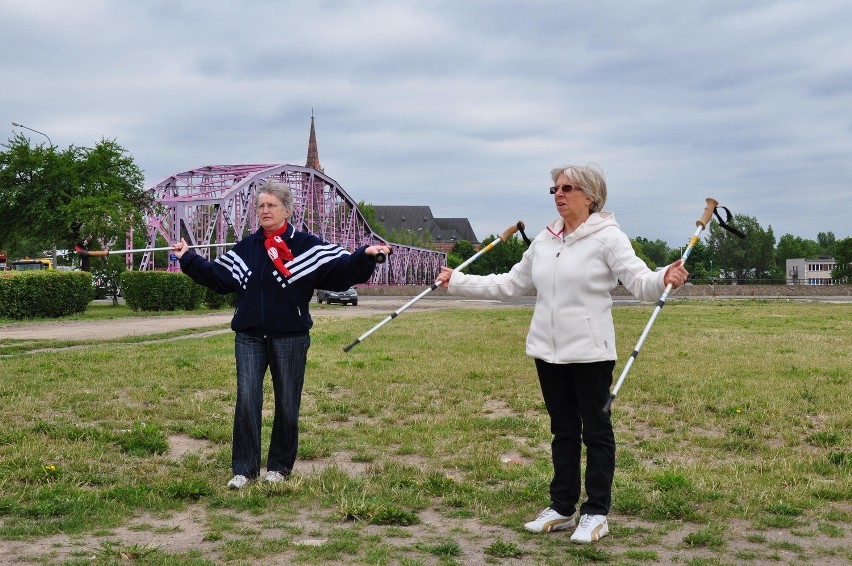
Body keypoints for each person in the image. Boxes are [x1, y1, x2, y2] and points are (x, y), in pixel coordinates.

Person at [436, 163, 689, 543]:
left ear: (591, 196)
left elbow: (640, 282)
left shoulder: (608, 237)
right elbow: (510, 284)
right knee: (563, 431)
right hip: (547, 352)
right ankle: (562, 508)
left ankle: (597, 512)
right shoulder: (544, 240)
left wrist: (664, 276)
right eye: (555, 189)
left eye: (568, 188)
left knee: (597, 432)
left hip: (590, 352)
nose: (559, 194)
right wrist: (457, 280)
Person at [173, 178, 391, 489]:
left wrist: (365, 255)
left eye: (271, 205)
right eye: (260, 206)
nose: (264, 210)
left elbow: (342, 271)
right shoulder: (247, 247)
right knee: (247, 401)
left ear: (286, 211)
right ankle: (244, 470)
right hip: (249, 336)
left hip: (290, 336)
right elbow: (218, 278)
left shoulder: (306, 246)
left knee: (287, 403)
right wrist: (188, 257)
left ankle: (279, 467)